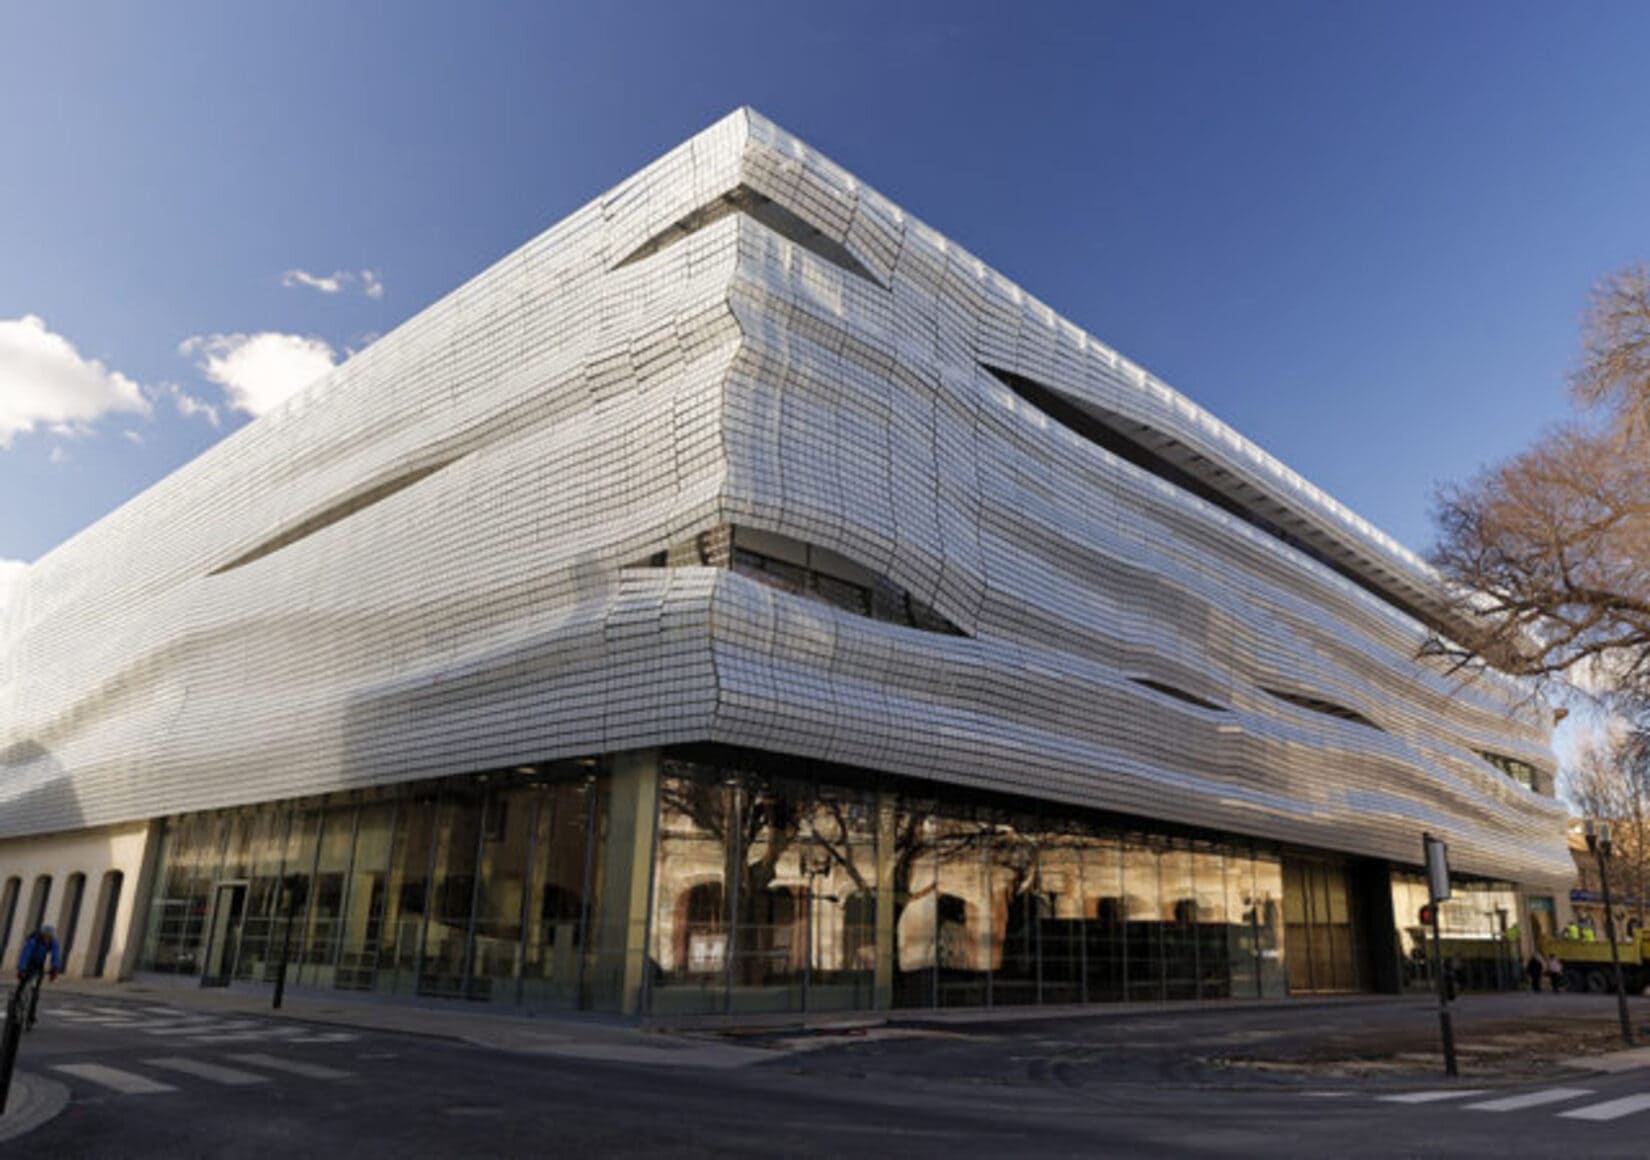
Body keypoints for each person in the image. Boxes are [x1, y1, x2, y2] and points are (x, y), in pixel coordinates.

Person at [15, 924, 62, 1029]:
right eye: (46, 937)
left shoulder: (53, 942)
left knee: (35, 993)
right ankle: (16, 1003)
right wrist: (21, 968)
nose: (47, 939)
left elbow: (55, 955)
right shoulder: (33, 940)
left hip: (39, 965)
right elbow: (25, 954)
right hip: (29, 963)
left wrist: (55, 969)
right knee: (22, 984)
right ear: (42, 935)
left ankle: (31, 1017)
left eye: (49, 938)